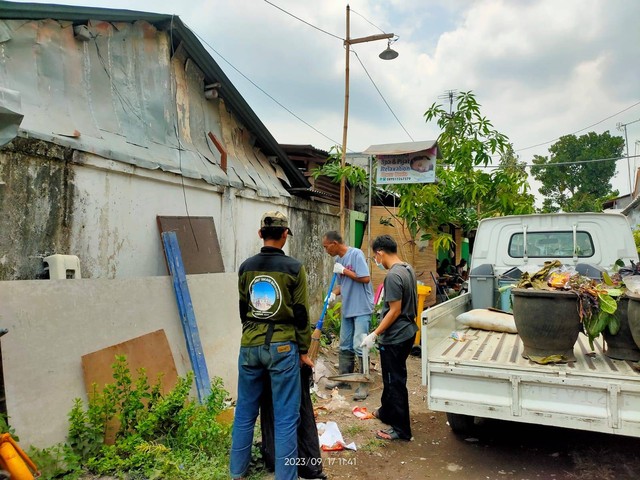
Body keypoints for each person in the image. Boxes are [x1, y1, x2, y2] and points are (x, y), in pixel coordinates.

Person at [230, 211, 313, 480]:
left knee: (244, 412)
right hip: (282, 347)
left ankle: (236, 472)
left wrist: (251, 333)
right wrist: (303, 350)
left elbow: (244, 307)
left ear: (260, 234)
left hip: (250, 346)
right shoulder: (293, 267)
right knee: (286, 418)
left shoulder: (245, 267)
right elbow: (300, 312)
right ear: (285, 234)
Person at [361, 234, 417, 441]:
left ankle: (402, 430)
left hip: (396, 336)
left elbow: (394, 311)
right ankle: (386, 412)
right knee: (390, 377)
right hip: (408, 331)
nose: (376, 261)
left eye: (375, 257)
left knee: (395, 382)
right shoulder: (407, 268)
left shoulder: (393, 276)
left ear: (380, 253)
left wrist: (375, 334)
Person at [322, 230, 374, 401]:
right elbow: (341, 285)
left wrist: (345, 270)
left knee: (360, 345)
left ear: (335, 244)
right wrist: (334, 294)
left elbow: (365, 278)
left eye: (326, 246)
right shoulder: (338, 260)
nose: (326, 250)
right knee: (345, 345)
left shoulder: (356, 254)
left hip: (361, 307)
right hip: (348, 307)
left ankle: (363, 383)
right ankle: (344, 380)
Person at [259, 364, 327, 480]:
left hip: (267, 363)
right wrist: (304, 352)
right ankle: (302, 466)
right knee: (291, 418)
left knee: (275, 414)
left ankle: (277, 461)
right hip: (289, 362)